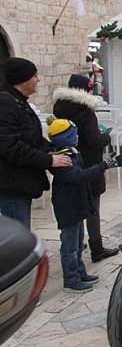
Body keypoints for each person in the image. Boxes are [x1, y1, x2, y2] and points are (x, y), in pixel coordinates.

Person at [46, 117, 122, 292]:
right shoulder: (62, 159)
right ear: (66, 137)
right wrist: (104, 165)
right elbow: (79, 176)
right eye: (73, 134)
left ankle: (80, 272)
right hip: (67, 207)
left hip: (77, 205)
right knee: (69, 246)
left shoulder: (73, 153)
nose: (77, 137)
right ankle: (71, 279)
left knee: (77, 244)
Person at [53, 74, 120, 262]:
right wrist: (106, 137)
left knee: (75, 207)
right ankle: (97, 248)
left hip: (69, 161)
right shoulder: (86, 112)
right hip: (90, 162)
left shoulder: (60, 108)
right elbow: (94, 139)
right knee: (92, 207)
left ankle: (76, 243)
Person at [0, 57, 72, 229]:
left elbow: (31, 136)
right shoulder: (6, 103)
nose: (38, 80)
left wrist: (55, 149)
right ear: (23, 80)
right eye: (34, 76)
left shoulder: (18, 101)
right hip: (12, 183)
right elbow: (11, 147)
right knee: (18, 236)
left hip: (21, 182)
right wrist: (49, 160)